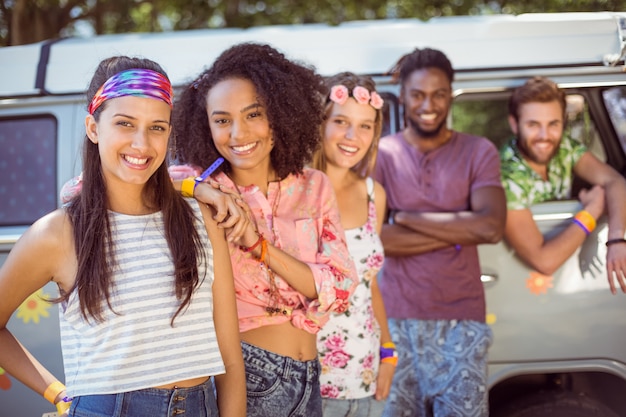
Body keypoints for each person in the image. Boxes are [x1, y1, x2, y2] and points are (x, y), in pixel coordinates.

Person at [0, 56, 246, 417]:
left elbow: (230, 358)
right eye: (125, 124)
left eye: (157, 128)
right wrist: (56, 394)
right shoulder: (56, 234)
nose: (141, 143)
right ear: (94, 127)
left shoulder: (201, 218)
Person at [170, 43, 359, 417]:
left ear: (280, 113)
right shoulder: (197, 184)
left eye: (253, 114)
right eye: (222, 120)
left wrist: (257, 245)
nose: (238, 133)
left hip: (309, 377)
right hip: (247, 375)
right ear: (205, 126)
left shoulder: (313, 185)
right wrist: (198, 188)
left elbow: (340, 287)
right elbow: (81, 189)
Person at [373, 47, 506, 417]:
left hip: (462, 323)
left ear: (450, 94)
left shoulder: (479, 151)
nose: (428, 104)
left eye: (438, 94)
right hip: (394, 322)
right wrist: (462, 228)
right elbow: (376, 239)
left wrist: (403, 216)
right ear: (403, 97)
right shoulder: (381, 155)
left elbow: (492, 227)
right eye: (417, 94)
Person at [310, 72, 395, 417]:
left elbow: (368, 282)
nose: (351, 136)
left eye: (364, 126)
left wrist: (388, 350)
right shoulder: (293, 188)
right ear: (320, 123)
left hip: (367, 377)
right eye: (341, 121)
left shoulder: (374, 193)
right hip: (309, 381)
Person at [500, 76, 626, 294]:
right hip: (519, 292)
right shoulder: (505, 176)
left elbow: (614, 180)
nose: (544, 136)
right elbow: (544, 261)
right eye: (533, 125)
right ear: (514, 124)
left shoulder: (563, 147)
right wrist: (592, 211)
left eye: (553, 124)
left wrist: (616, 239)